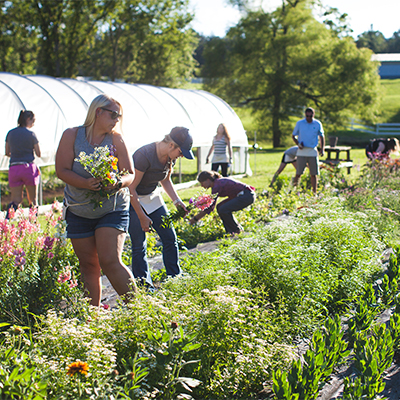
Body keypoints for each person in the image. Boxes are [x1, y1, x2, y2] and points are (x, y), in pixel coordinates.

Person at [55, 94, 135, 307]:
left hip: (112, 208)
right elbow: (61, 170)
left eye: (119, 116)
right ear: (98, 112)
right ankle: (93, 318)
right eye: (113, 114)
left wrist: (118, 182)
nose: (116, 119)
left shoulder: (116, 139)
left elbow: (130, 174)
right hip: (79, 209)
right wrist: (85, 183)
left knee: (110, 260)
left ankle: (140, 311)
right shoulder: (72, 135)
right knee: (89, 265)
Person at [128, 126, 194, 289]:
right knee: (139, 244)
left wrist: (177, 201)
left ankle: (175, 276)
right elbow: (130, 188)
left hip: (152, 198)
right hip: (132, 199)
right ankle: (144, 286)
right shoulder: (144, 155)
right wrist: (142, 216)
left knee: (170, 238)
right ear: (172, 145)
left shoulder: (170, 158)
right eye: (180, 152)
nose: (181, 156)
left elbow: (165, 180)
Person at [189, 171, 255, 235]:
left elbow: (210, 207)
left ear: (208, 180)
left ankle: (235, 230)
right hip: (246, 195)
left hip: (246, 195)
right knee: (220, 207)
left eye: (202, 183)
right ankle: (232, 230)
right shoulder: (217, 183)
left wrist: (195, 219)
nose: (201, 185)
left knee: (223, 209)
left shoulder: (217, 185)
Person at [5, 110, 41, 215]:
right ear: (28, 119)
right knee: (33, 200)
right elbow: (38, 153)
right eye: (33, 120)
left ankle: (6, 222)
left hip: (14, 168)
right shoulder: (31, 134)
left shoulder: (10, 133)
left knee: (15, 200)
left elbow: (7, 152)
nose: (33, 123)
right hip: (28, 168)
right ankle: (33, 225)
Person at [292, 107, 325, 194]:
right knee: (298, 173)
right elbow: (293, 135)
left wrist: (322, 149)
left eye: (310, 116)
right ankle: (294, 191)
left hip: (312, 151)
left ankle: (314, 192)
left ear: (313, 115)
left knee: (314, 173)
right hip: (302, 151)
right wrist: (298, 144)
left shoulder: (317, 124)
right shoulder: (300, 123)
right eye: (307, 116)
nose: (309, 118)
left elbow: (321, 136)